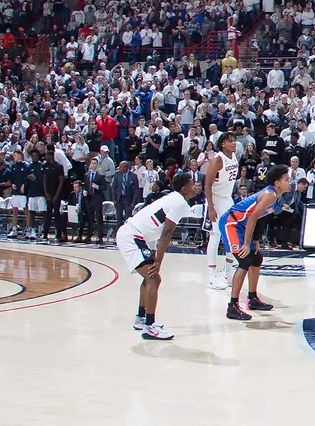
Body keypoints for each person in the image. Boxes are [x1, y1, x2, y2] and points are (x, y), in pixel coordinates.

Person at [114, 172, 202, 341]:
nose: (195, 186)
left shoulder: (173, 198)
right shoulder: (180, 203)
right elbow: (167, 232)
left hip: (134, 234)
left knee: (149, 278)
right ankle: (149, 327)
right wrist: (159, 260)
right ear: (184, 188)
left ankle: (140, 318)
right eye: (192, 184)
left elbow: (156, 225)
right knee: (154, 278)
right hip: (133, 236)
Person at [218, 166, 292, 320]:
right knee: (244, 261)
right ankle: (232, 306)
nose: (289, 181)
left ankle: (252, 299)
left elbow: (261, 218)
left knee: (256, 259)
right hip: (231, 223)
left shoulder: (276, 196)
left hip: (242, 225)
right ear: (277, 183)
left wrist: (256, 240)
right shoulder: (269, 195)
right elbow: (252, 217)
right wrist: (246, 244)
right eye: (286, 179)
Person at [202, 133, 240, 291]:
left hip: (227, 199)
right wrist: (211, 206)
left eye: (234, 140)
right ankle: (211, 276)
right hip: (215, 199)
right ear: (222, 144)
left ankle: (228, 273)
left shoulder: (234, 156)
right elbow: (207, 185)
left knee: (233, 235)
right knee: (215, 235)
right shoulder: (218, 159)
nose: (233, 143)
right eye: (230, 141)